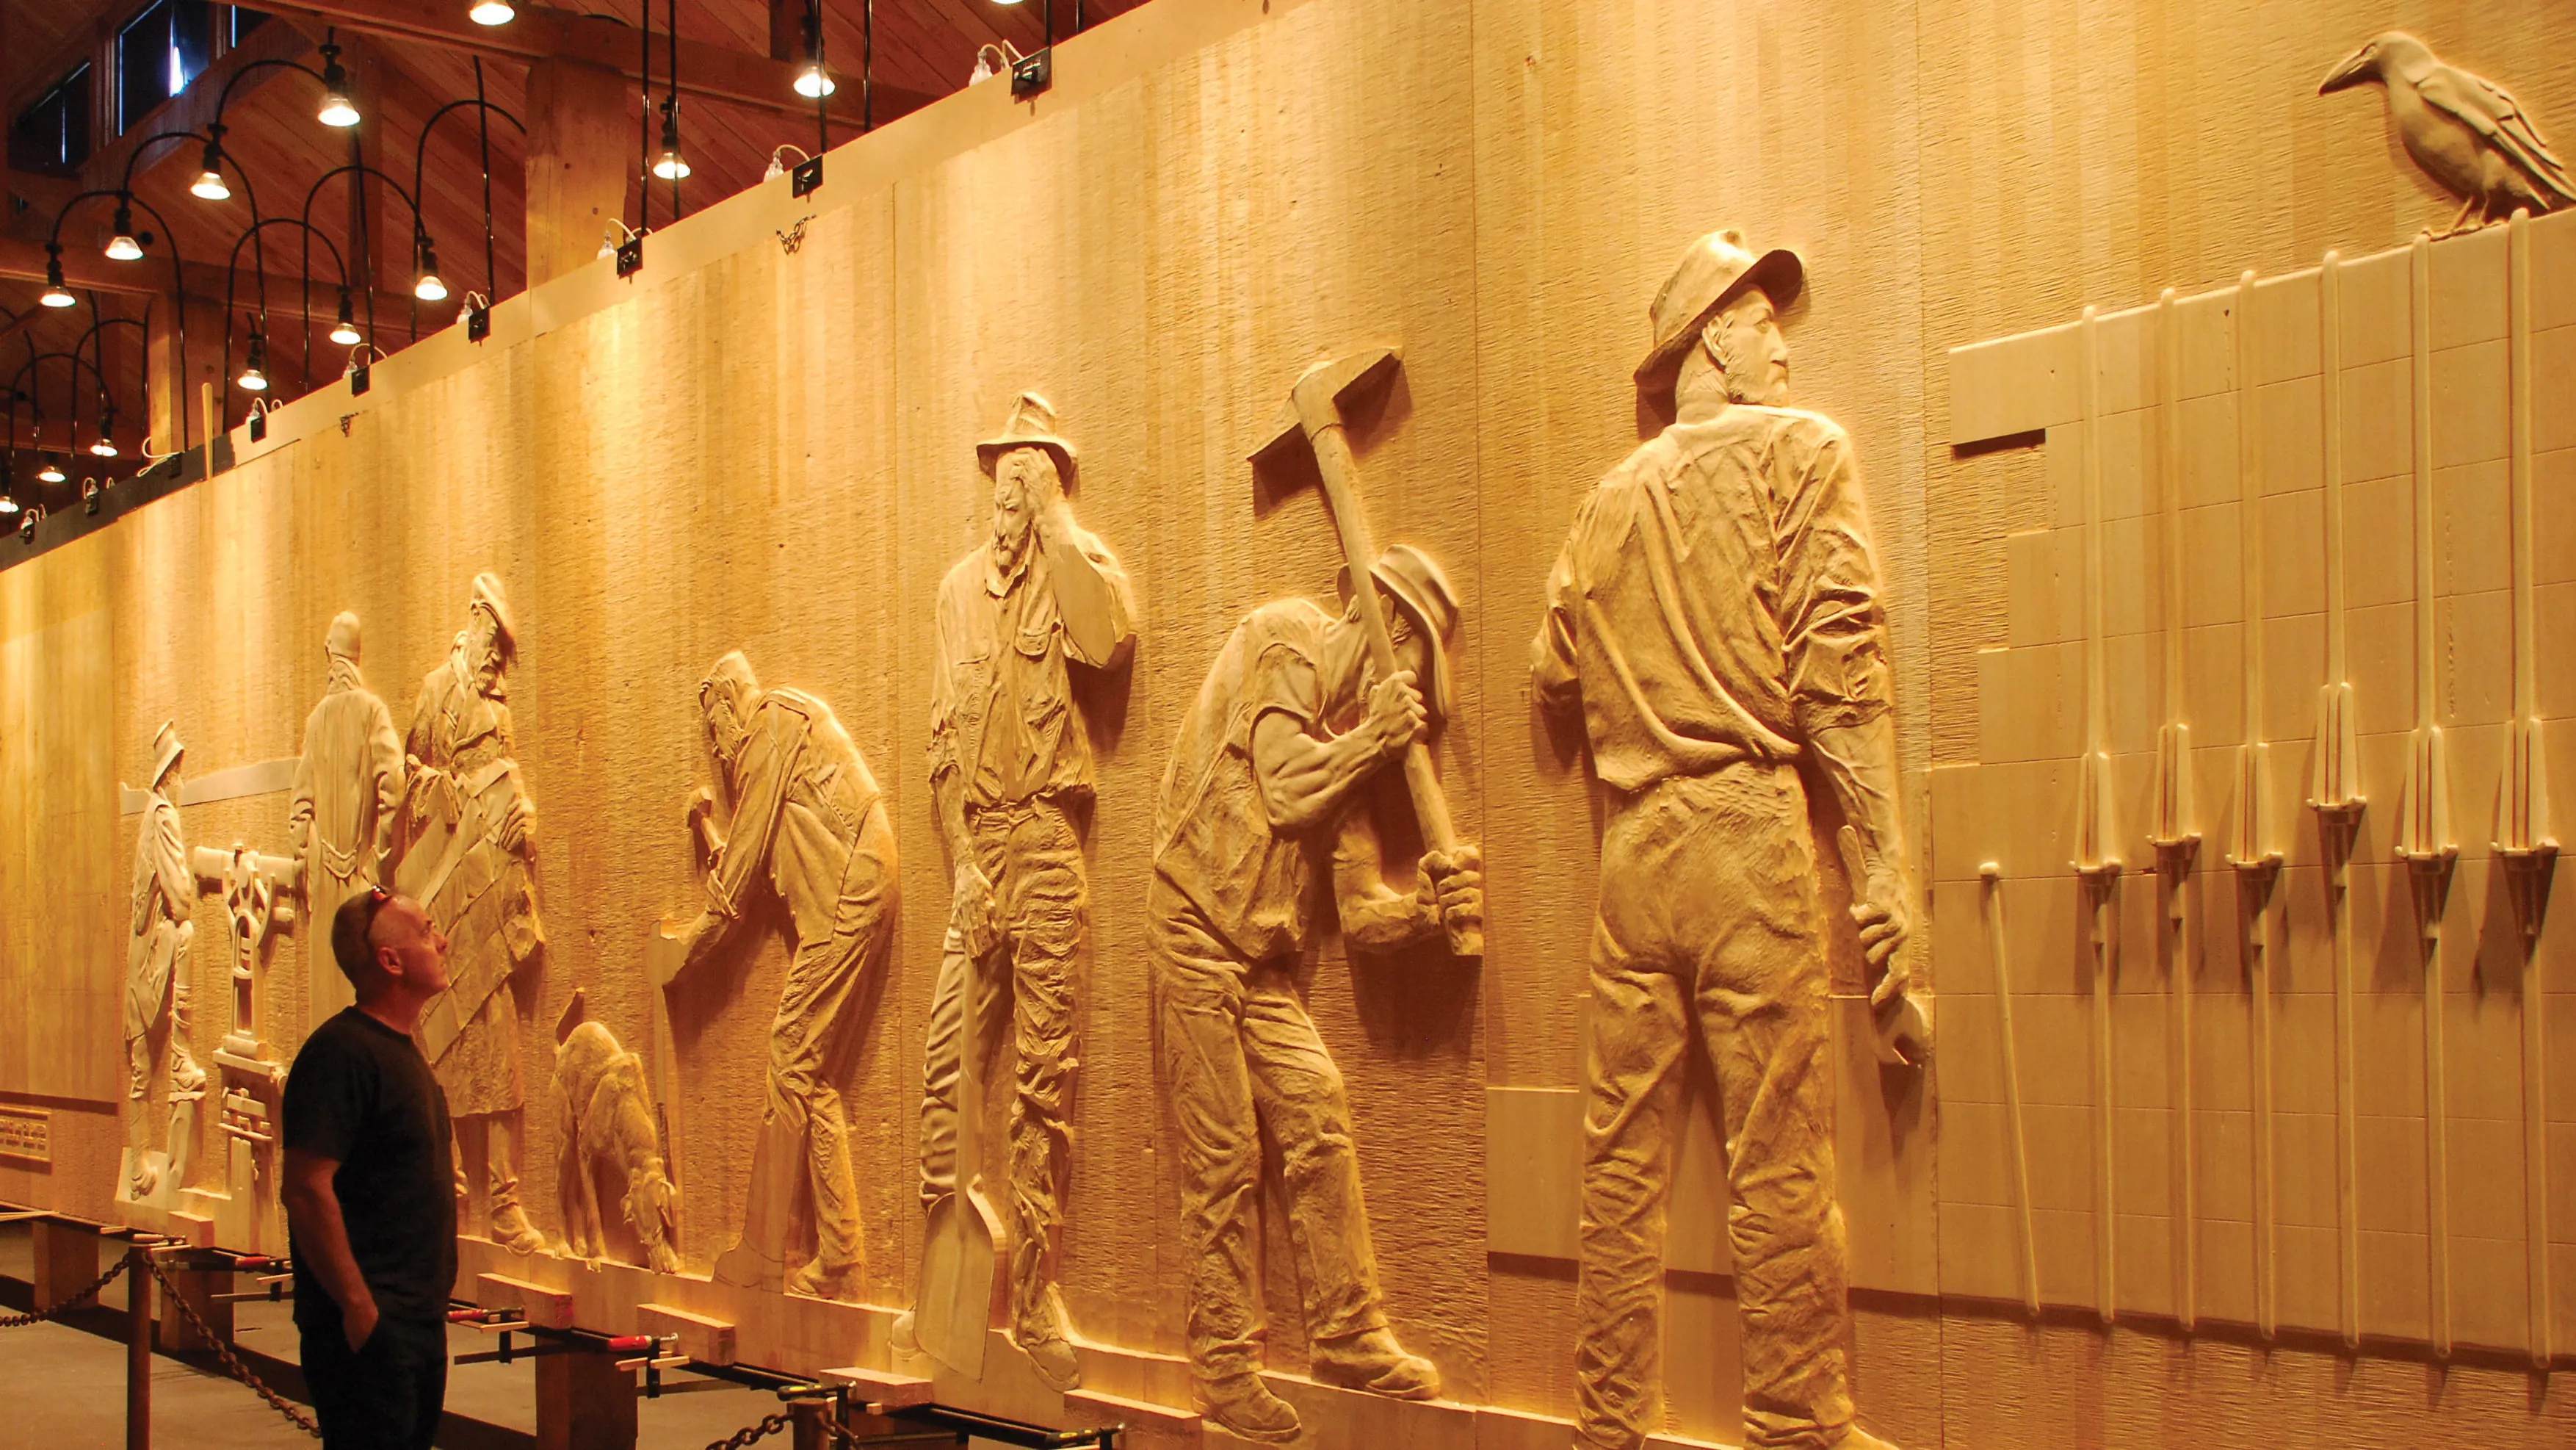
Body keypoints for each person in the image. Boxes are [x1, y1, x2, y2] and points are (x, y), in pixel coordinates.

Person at [1530, 228, 1915, 1450]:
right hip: (1747, 833)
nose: (1782, 345)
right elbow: (1840, 675)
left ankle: (1607, 1419)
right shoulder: (1803, 456)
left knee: (1618, 1158)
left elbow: (1549, 669)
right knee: (1777, 1149)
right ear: (1710, 337)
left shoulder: (1607, 496)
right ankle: (1795, 1418)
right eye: (1760, 321)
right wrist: (1883, 873)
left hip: (1636, 852)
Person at [1148, 544, 1480, 1443]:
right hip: (1191, 930)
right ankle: (1222, 1369)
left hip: (1260, 966)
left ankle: (1345, 1332)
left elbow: (1363, 914)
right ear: (1390, 633)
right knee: (1222, 1158)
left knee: (1318, 1109)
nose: (1413, 691)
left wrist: (1427, 912)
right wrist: (1377, 739)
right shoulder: (1283, 636)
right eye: (1415, 665)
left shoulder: (1344, 754)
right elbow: (1286, 789)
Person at [908, 392, 1134, 1391]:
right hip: (978, 850)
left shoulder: (1072, 575)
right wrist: (960, 868)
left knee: (1043, 1078)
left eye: (1031, 468)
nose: (1012, 482)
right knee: (947, 1065)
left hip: (1046, 841)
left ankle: (1035, 1288)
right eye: (1003, 466)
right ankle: (943, 1287)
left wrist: (1062, 526)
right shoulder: (956, 591)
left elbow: (1110, 641)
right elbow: (941, 743)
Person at [670, 652, 896, 1301]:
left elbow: (739, 881)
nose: (716, 747)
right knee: (807, 1072)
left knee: (789, 1058)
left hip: (849, 888)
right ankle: (840, 1259)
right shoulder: (777, 742)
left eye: (714, 728)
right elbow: (763, 851)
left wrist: (687, 951)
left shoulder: (768, 722)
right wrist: (712, 839)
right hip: (850, 884)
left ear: (729, 705)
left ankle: (770, 1252)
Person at [395, 573, 546, 1255]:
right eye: (495, 647)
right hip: (447, 897)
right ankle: (450, 1193)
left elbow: (510, 779)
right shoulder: (435, 692)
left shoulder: (497, 705)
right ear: (477, 619)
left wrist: (523, 820)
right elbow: (407, 770)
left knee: (501, 1053)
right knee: (446, 1049)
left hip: (491, 882)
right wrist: (436, 789)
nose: (497, 663)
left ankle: (507, 1202)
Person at [282, 889, 460, 1450]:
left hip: (415, 1319)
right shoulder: (341, 1053)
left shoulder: (402, 1051)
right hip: (371, 1325)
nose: (443, 940)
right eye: (428, 931)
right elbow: (306, 1189)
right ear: (391, 960)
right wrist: (359, 1308)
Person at [288, 611, 405, 1030]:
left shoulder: (317, 721)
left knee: (329, 1012)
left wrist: (307, 870)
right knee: (364, 1006)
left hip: (326, 886)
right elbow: (395, 786)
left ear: (330, 655)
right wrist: (382, 865)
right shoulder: (372, 711)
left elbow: (300, 810)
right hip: (361, 882)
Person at [126, 720, 203, 1200]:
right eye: (180, 770)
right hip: (153, 952)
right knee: (189, 931)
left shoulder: (147, 815)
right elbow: (180, 898)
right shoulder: (165, 817)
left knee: (137, 1068)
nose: (182, 780)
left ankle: (138, 1166)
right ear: (170, 773)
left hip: (140, 955)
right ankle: (179, 1056)